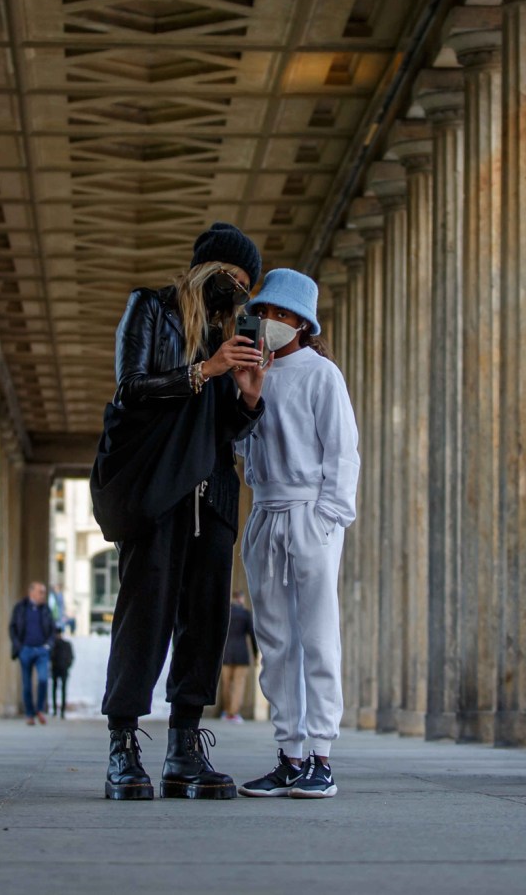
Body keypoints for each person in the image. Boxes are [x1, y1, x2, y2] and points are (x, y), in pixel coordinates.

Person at [91, 221, 269, 801]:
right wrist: (205, 370)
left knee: (207, 621)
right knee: (144, 617)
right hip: (160, 493)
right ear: (204, 268)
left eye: (245, 288)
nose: (236, 293)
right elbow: (131, 388)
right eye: (230, 279)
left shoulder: (226, 335)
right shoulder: (151, 308)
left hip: (213, 494)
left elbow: (224, 430)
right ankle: (123, 746)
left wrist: (246, 395)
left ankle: (184, 748)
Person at [235, 268, 360, 799]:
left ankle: (321, 756)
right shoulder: (249, 374)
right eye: (264, 312)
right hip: (265, 512)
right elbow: (243, 450)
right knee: (275, 638)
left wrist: (329, 518)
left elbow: (342, 450)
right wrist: (248, 398)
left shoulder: (321, 374)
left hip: (310, 512)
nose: (271, 322)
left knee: (317, 635)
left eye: (283, 315)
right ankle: (288, 753)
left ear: (303, 324)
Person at [9, 582, 55, 725]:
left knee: (43, 679)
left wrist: (48, 645)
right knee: (27, 684)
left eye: (44, 592)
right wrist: (19, 647)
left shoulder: (46, 609)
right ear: (32, 593)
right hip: (26, 650)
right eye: (41, 592)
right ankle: (29, 714)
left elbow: (52, 629)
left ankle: (39, 709)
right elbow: (13, 627)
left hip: (42, 650)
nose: (43, 595)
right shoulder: (20, 608)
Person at [220, 590, 258, 722]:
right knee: (238, 685)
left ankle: (226, 711)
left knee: (226, 685)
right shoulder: (245, 614)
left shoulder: (226, 613)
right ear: (241, 599)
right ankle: (233, 713)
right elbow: (252, 636)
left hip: (226, 654)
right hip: (241, 655)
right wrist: (255, 654)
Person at [51, 627, 74, 718]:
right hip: (56, 668)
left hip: (63, 668)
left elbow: (71, 656)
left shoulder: (65, 644)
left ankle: (61, 711)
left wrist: (67, 664)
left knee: (62, 689)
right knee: (55, 689)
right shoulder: (54, 645)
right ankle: (55, 710)